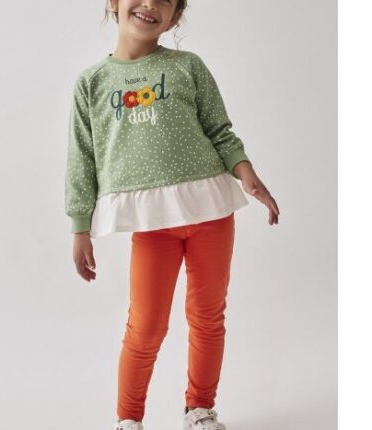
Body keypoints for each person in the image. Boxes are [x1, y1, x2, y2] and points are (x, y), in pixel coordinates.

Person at [64, 1, 280, 429]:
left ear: (175, 17)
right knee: (145, 327)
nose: (150, 4)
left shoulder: (187, 66)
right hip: (152, 225)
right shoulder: (91, 82)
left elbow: (219, 130)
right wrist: (79, 227)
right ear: (114, 3)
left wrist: (246, 173)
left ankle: (199, 409)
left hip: (211, 212)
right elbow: (81, 159)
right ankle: (128, 419)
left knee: (207, 317)